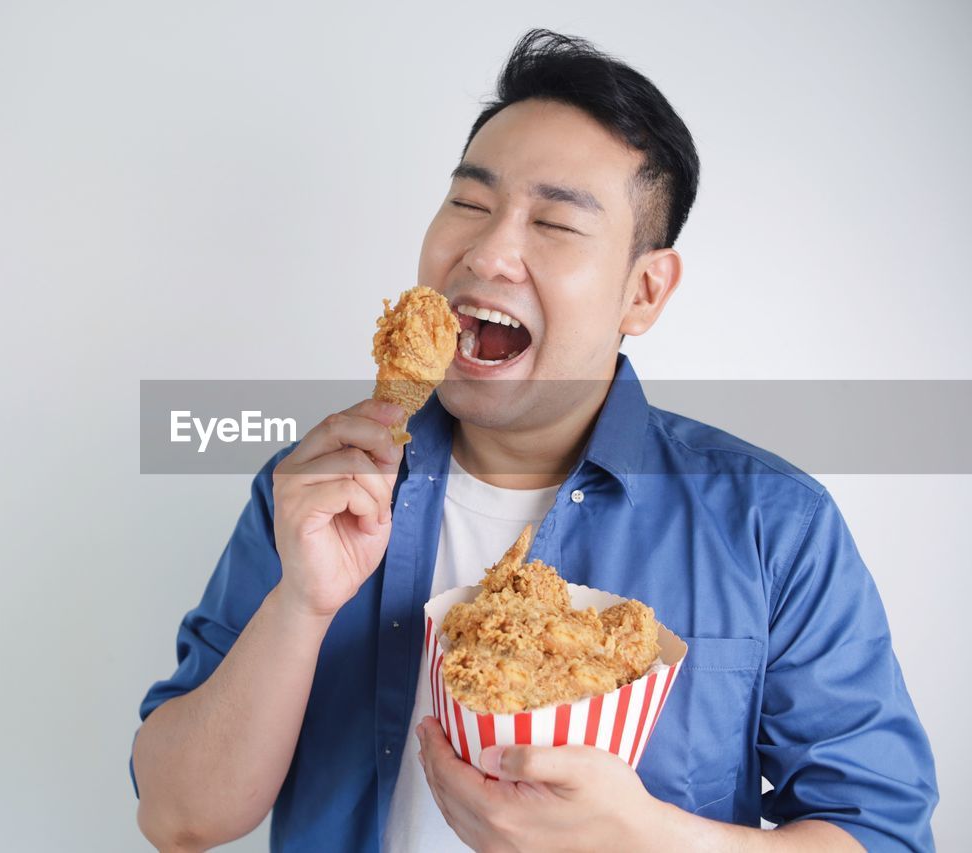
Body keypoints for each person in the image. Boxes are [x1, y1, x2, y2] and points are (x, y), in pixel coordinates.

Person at [129, 29, 938, 852]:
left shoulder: (773, 523)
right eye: (470, 205)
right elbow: (179, 815)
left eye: (554, 222)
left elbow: (885, 835)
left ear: (644, 290)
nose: (488, 252)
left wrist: (644, 838)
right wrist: (300, 602)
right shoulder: (311, 488)